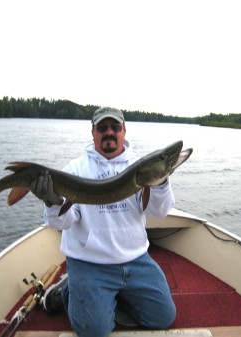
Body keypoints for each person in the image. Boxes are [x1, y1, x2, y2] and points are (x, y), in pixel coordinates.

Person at [32, 107, 176, 337]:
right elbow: (62, 222)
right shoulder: (76, 170)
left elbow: (160, 211)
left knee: (163, 317)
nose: (109, 132)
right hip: (90, 261)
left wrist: (160, 182)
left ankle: (102, 296)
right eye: (102, 128)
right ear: (93, 133)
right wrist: (53, 202)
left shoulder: (141, 168)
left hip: (135, 259)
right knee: (94, 332)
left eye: (115, 127)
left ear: (124, 131)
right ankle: (67, 290)